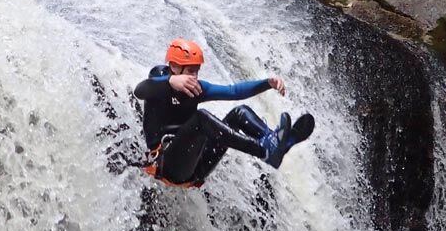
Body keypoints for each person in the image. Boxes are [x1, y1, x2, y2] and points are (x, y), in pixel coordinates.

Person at [135, 39, 315, 187]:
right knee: (201, 118)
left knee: (239, 113)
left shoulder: (196, 88)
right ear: (174, 66)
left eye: (196, 71)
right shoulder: (158, 81)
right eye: (190, 71)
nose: (194, 77)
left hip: (198, 166)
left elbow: (233, 91)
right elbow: (140, 90)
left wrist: (267, 83)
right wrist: (170, 82)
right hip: (168, 166)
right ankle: (263, 150)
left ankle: (273, 141)